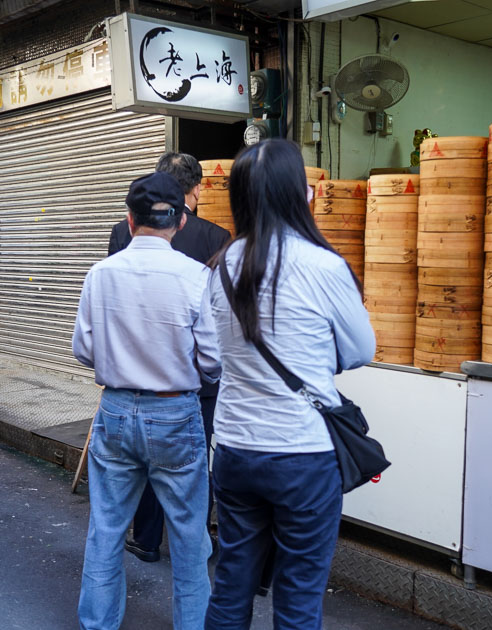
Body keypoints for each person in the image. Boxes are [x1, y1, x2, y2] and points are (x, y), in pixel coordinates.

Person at [203, 139, 375, 629]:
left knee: (232, 580)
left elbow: (213, 360)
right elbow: (361, 350)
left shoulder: (219, 268)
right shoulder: (325, 266)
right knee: (298, 596)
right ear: (302, 194)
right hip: (303, 454)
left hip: (235, 448)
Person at [74, 171, 220, 630]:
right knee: (191, 539)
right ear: (180, 221)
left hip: (116, 408)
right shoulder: (197, 275)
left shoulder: (101, 273)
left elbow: (82, 349)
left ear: (130, 221)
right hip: (176, 412)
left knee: (106, 530)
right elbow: (213, 360)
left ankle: (98, 624)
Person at [108, 152, 230, 563]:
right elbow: (220, 317)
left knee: (140, 463)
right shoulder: (216, 237)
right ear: (196, 189)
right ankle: (195, 541)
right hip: (194, 378)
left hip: (132, 375)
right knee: (194, 462)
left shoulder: (121, 234)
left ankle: (145, 539)